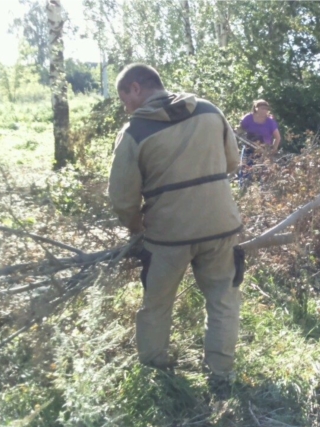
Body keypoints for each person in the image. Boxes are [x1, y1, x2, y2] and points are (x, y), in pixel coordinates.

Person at [108, 63, 243, 386]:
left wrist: (136, 227)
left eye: (124, 98)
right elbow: (233, 162)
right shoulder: (210, 111)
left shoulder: (133, 133)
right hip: (221, 227)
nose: (126, 107)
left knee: (156, 306)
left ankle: (157, 374)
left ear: (137, 88)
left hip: (167, 237)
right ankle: (221, 374)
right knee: (223, 300)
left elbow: (123, 200)